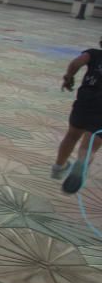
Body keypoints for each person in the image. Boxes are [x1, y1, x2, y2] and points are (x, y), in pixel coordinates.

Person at [53, 39, 102, 194]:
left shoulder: (93, 54)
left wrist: (69, 77)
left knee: (72, 136)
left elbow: (76, 63)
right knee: (89, 146)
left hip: (85, 99)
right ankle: (81, 162)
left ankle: (58, 167)